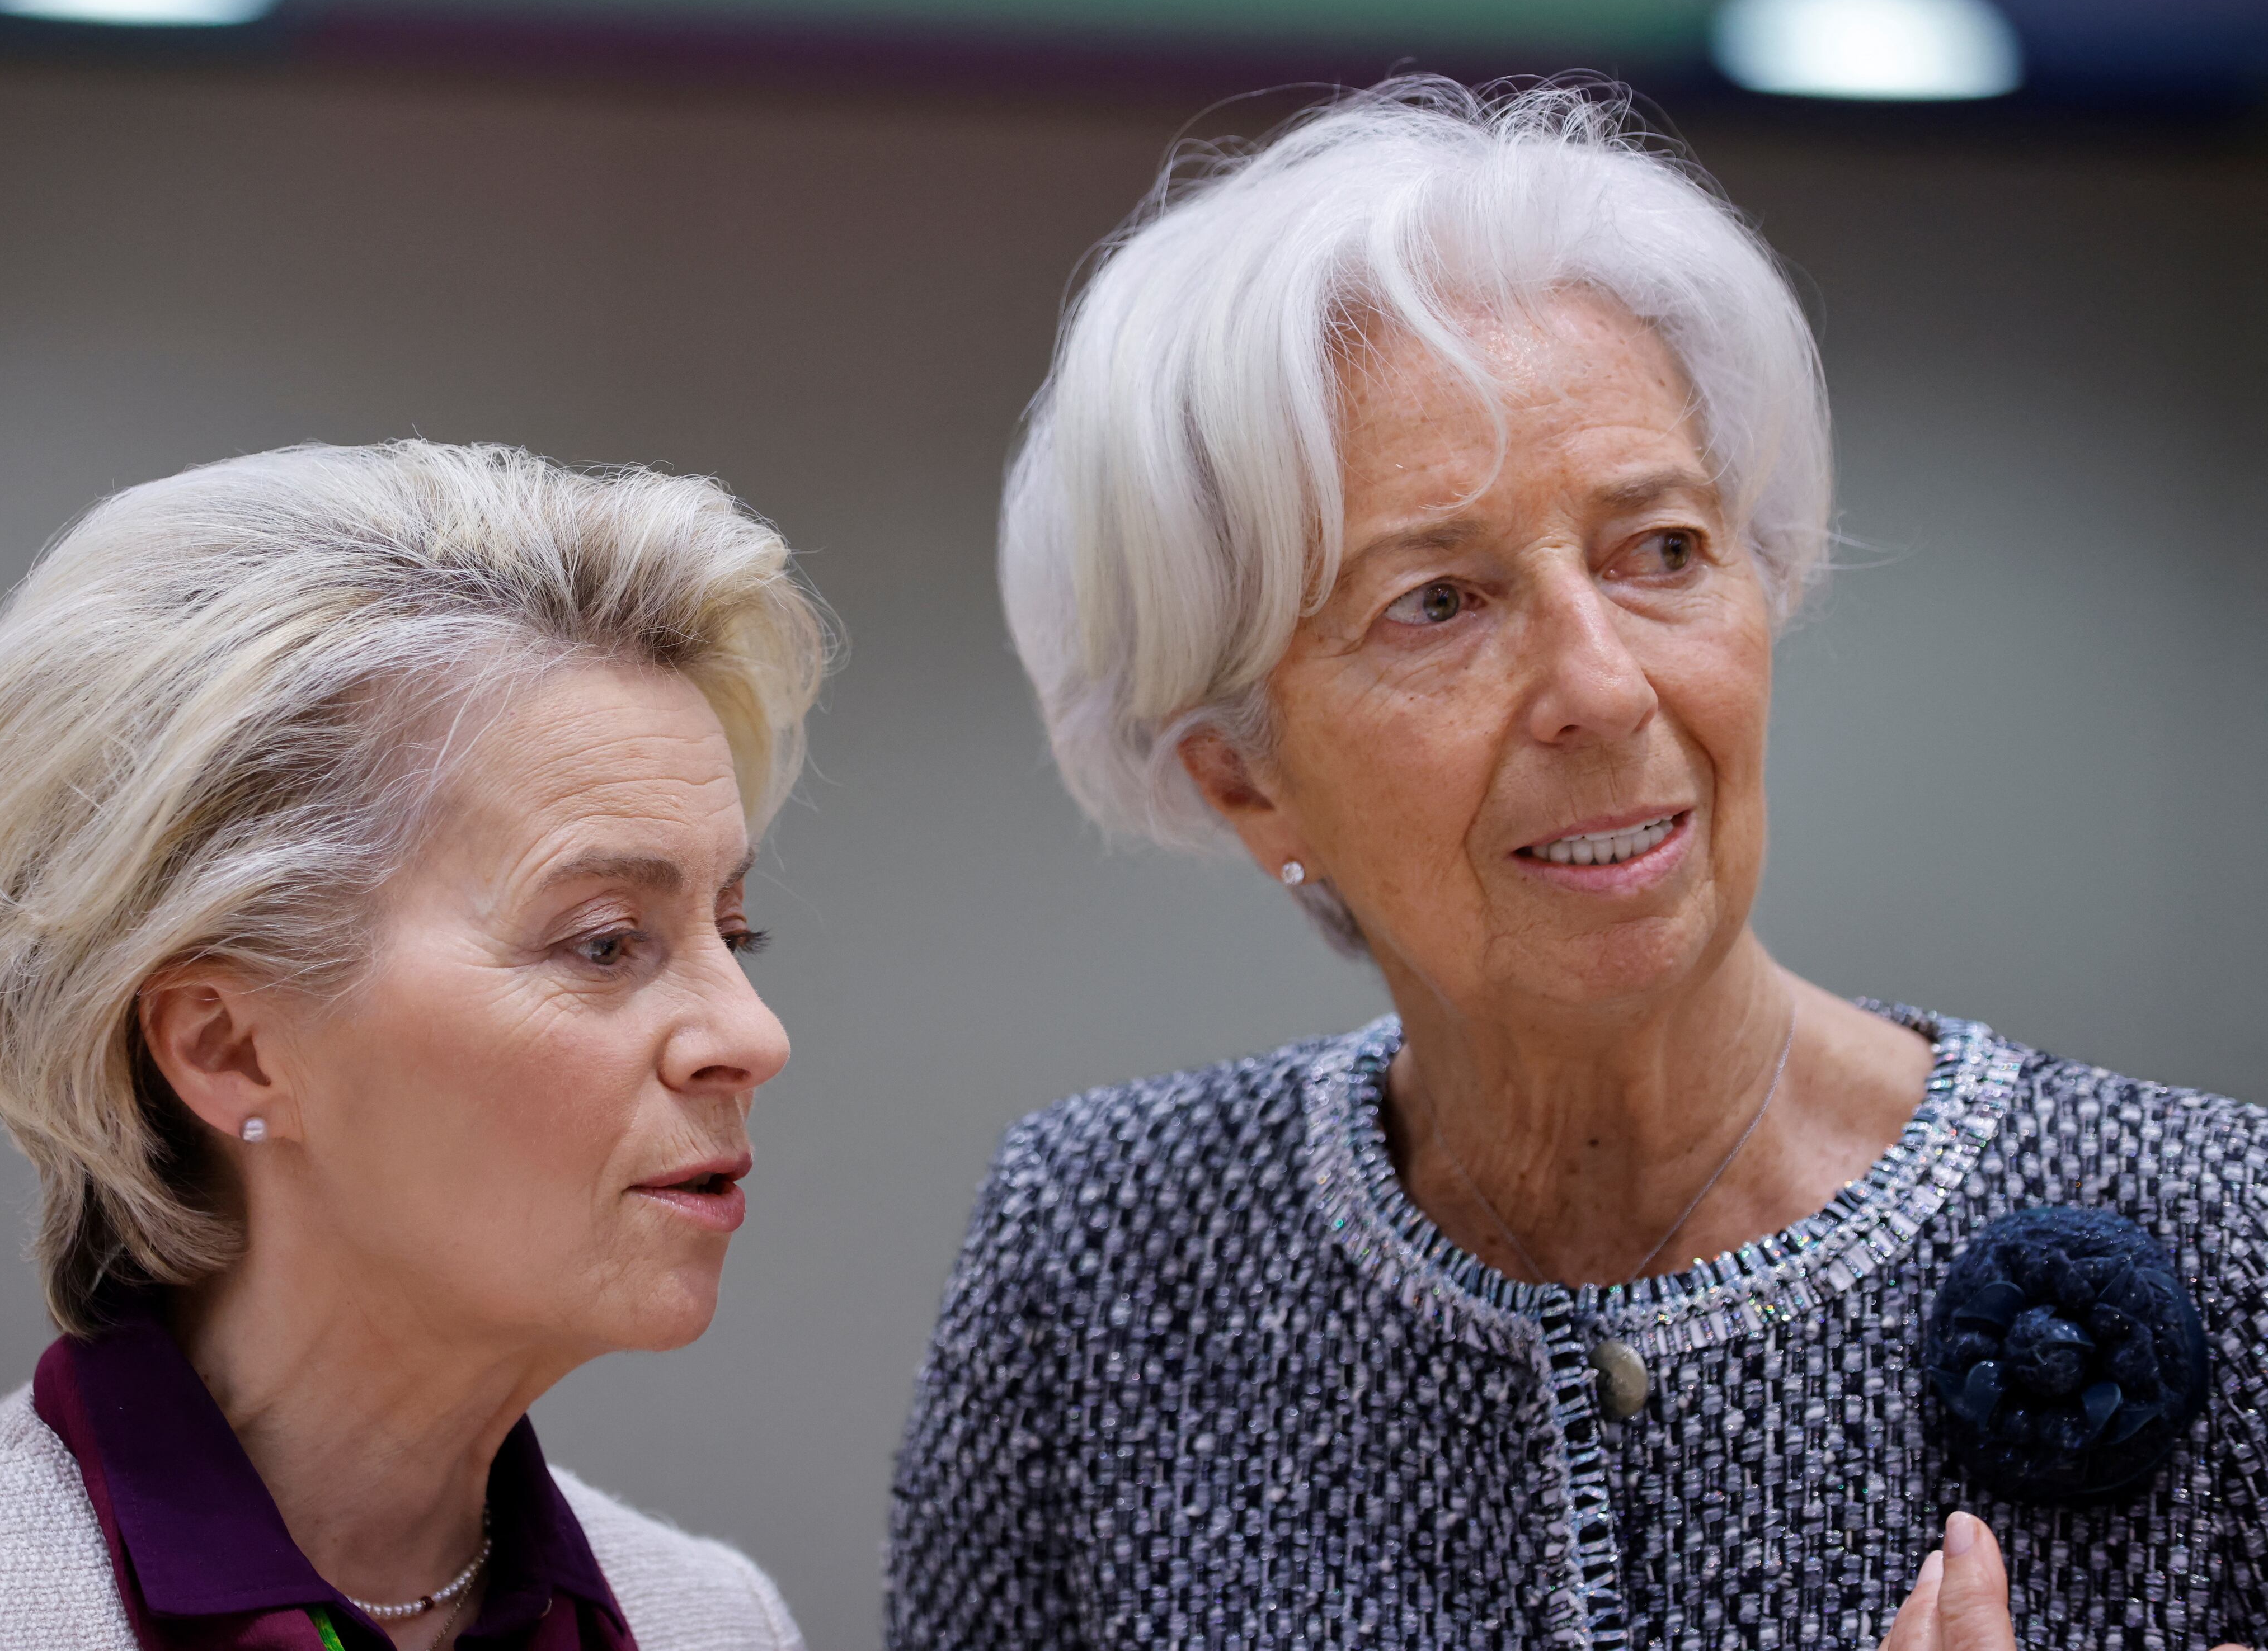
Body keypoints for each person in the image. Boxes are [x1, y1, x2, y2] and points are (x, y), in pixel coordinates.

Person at [887, 80, 2268, 1648]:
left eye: (1662, 549)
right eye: (1438, 600)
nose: (1605, 687)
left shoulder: (2230, 1227)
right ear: (1242, 778)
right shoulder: (1097, 1249)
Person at [0, 441, 822, 1651]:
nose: (750, 1033)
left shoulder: (712, 1619)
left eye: (736, 930)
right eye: (604, 940)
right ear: (229, 1049)